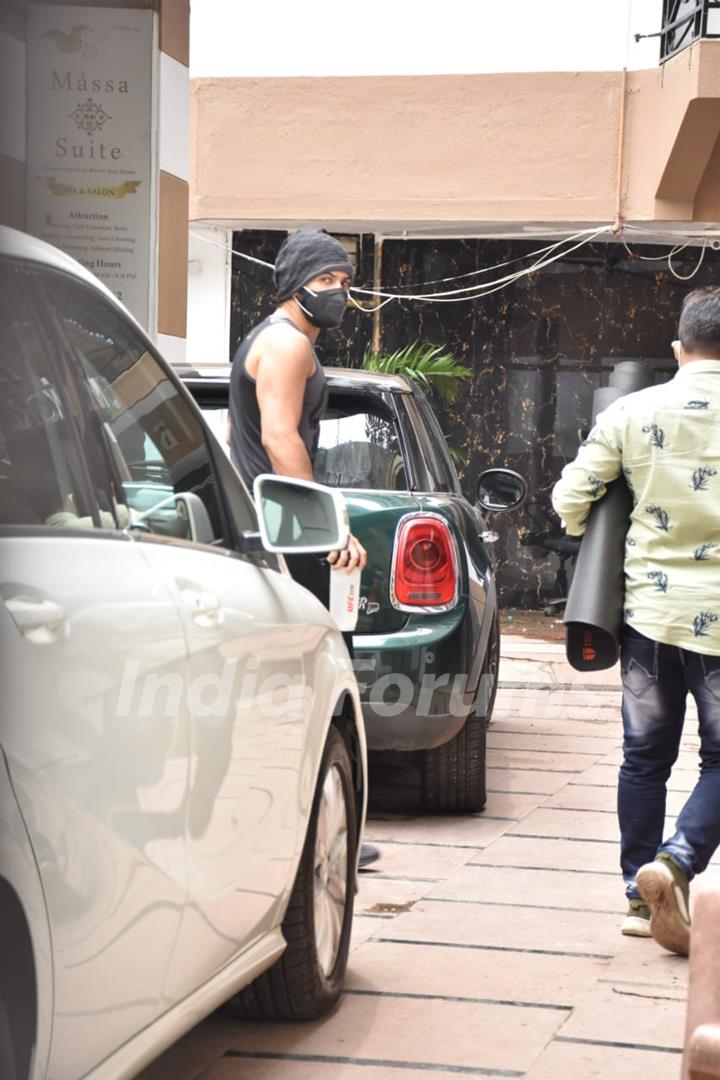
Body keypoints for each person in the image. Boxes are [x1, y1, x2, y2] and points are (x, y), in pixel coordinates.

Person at [551, 287, 720, 956]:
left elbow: (570, 500)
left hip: (649, 618)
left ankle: (634, 895)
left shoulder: (633, 411)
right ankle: (676, 863)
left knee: (644, 758)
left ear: (679, 349)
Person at [229, 227, 379, 870]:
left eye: (344, 283)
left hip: (274, 529)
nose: (338, 293)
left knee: (298, 688)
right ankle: (311, 831)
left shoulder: (277, 340)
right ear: (294, 285)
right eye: (325, 282)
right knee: (315, 686)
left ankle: (310, 826)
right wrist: (328, 528)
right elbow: (282, 438)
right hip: (285, 534)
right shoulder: (288, 345)